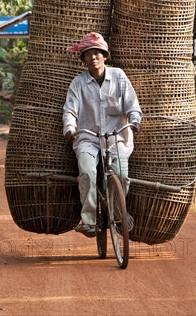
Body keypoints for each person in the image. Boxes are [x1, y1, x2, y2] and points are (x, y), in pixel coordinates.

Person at [62, 32, 142, 238]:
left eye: (97, 52)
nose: (93, 57)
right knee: (87, 172)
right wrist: (70, 129)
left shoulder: (119, 77)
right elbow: (70, 110)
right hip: (88, 138)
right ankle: (88, 220)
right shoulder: (78, 83)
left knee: (121, 175)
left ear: (105, 56)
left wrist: (134, 121)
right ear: (83, 59)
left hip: (117, 138)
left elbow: (132, 105)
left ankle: (117, 215)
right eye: (88, 53)